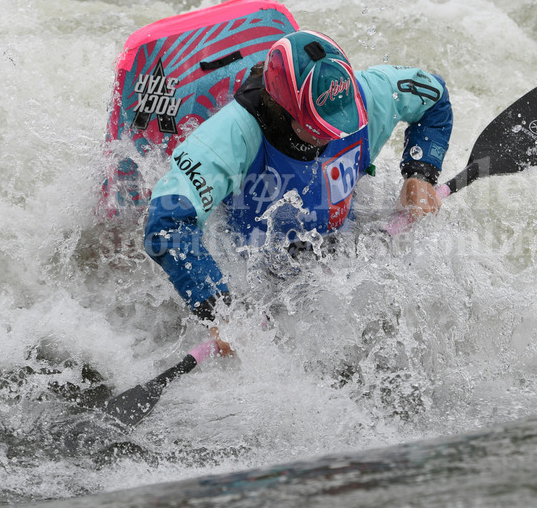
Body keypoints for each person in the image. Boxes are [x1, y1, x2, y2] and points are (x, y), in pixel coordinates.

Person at [143, 30, 452, 363]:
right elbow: (166, 223)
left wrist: (420, 174)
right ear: (284, 110)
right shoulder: (230, 136)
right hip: (254, 268)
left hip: (336, 251)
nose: (336, 133)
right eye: (322, 126)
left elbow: (435, 97)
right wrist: (220, 309)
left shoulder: (368, 92)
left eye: (342, 122)